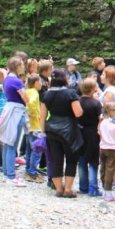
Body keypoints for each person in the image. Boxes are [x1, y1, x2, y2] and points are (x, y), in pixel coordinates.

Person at [41, 69, 83, 198]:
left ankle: (59, 189)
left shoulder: (46, 94)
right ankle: (68, 189)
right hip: (68, 130)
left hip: (52, 130)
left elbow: (42, 116)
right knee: (71, 159)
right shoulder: (70, 93)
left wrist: (42, 132)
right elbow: (78, 113)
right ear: (64, 79)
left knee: (55, 160)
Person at [0, 56, 28, 187]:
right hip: (16, 112)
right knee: (11, 144)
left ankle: (6, 172)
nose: (23, 66)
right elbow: (26, 98)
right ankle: (11, 176)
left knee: (7, 142)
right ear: (17, 66)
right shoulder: (16, 81)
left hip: (9, 109)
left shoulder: (6, 80)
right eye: (21, 64)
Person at [76, 78, 103, 197]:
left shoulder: (77, 101)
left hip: (80, 132)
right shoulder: (96, 103)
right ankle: (93, 188)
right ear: (93, 89)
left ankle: (83, 187)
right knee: (93, 161)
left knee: (81, 161)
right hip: (93, 133)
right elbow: (100, 119)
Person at [98, 102, 115, 202]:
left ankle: (104, 188)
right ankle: (108, 191)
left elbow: (100, 135)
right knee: (110, 170)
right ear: (111, 111)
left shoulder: (101, 123)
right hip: (112, 149)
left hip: (102, 148)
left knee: (103, 168)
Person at [24, 74, 45, 183]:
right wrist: (35, 115)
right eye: (40, 82)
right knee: (37, 150)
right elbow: (31, 104)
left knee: (29, 149)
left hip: (27, 126)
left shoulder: (27, 91)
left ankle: (28, 170)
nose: (41, 84)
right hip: (35, 125)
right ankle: (32, 172)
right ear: (35, 82)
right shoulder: (34, 93)